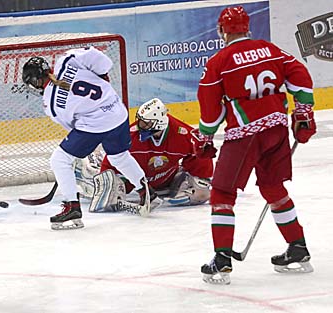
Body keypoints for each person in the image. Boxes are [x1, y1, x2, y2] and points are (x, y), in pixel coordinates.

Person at [195, 6, 316, 284]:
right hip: (275, 128)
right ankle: (298, 247)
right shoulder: (270, 49)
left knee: (222, 194)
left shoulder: (219, 60)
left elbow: (211, 109)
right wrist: (304, 110)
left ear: (222, 30)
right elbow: (300, 75)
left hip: (245, 136)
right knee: (273, 188)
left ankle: (222, 260)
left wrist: (205, 136)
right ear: (247, 28)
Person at [21, 46, 159, 230]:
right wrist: (102, 75)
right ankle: (146, 191)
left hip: (96, 124)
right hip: (118, 111)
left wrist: (86, 141)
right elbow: (104, 62)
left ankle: (72, 207)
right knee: (119, 156)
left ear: (36, 82)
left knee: (60, 160)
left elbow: (73, 126)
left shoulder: (50, 103)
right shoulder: (68, 59)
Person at [81, 98, 213, 212]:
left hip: (166, 179)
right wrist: (106, 182)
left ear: (159, 123)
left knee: (201, 193)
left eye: (145, 123)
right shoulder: (131, 136)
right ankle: (88, 168)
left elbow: (201, 153)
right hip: (134, 181)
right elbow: (113, 159)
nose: (140, 126)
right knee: (107, 192)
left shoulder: (182, 134)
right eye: (140, 121)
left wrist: (201, 181)